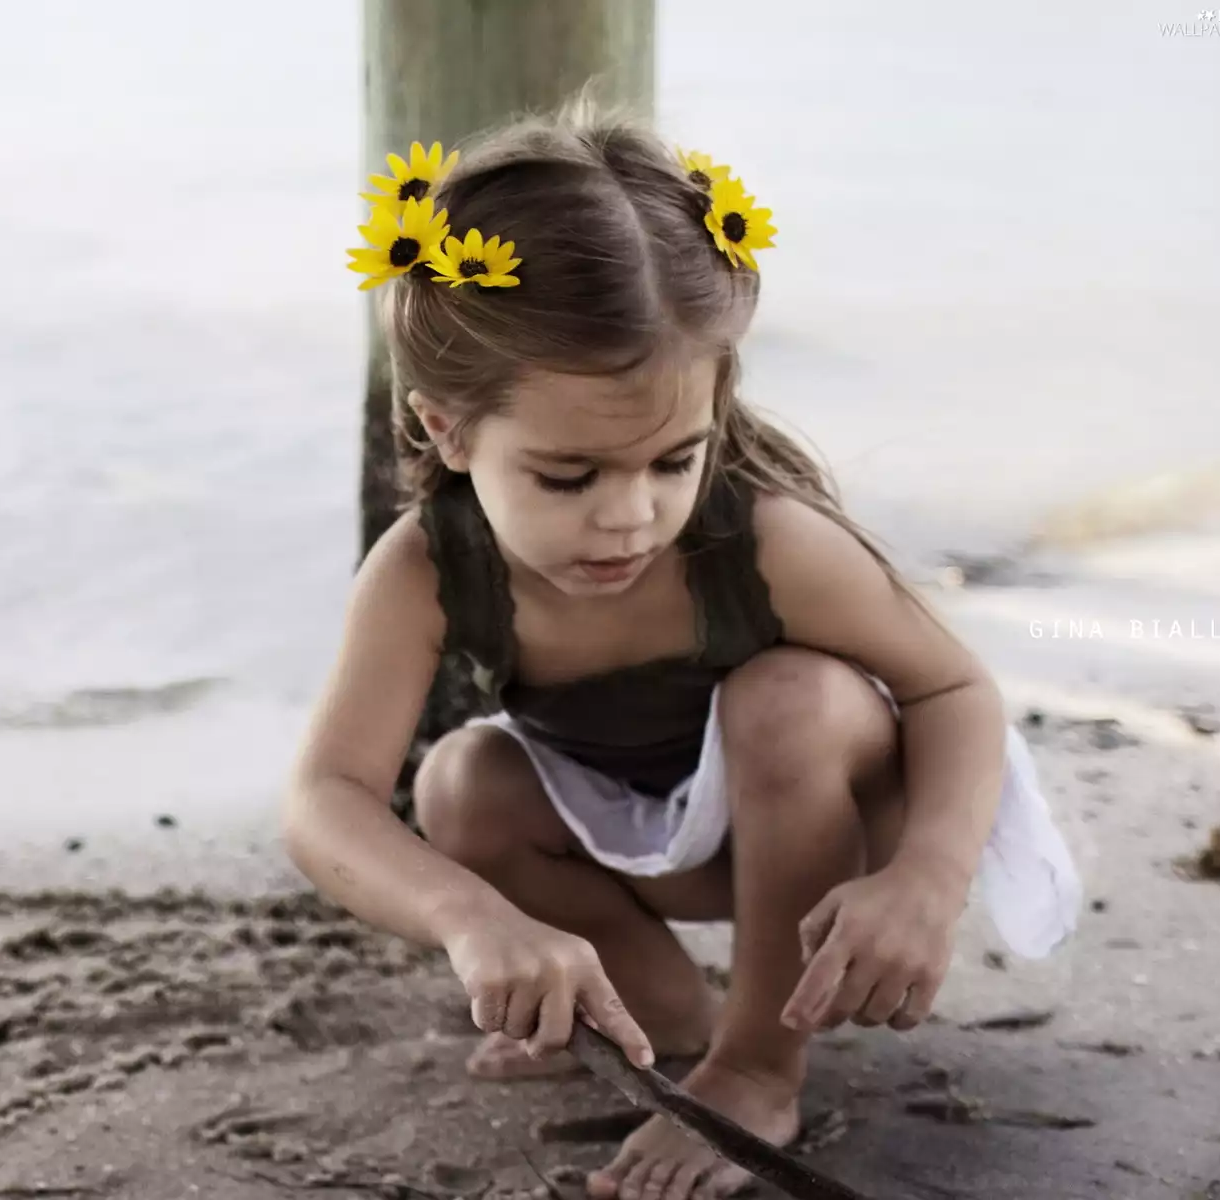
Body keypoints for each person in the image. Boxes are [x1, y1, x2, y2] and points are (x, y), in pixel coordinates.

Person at [283, 100, 1081, 1200]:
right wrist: (480, 923)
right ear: (446, 430)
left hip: (840, 814)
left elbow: (952, 686)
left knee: (786, 698)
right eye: (570, 478)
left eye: (674, 461)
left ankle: (759, 1063)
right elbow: (327, 798)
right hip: (655, 832)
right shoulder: (427, 568)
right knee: (462, 781)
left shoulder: (765, 542)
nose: (631, 517)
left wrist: (928, 877)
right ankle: (662, 1013)